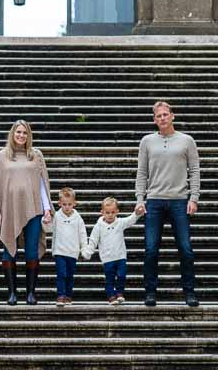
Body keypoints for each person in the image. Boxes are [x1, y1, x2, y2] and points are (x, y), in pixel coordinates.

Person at [135, 100, 200, 307]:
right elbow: (142, 172)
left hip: (179, 201)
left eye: (165, 114)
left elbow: (195, 170)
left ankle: (189, 292)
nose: (162, 118)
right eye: (158, 116)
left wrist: (194, 197)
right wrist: (140, 198)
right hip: (154, 201)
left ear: (172, 116)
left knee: (186, 248)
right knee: (151, 249)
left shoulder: (187, 140)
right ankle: (150, 292)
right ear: (154, 120)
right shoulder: (147, 141)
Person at [0, 120, 53, 305]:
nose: (21, 135)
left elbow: (42, 184)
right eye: (18, 132)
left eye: (25, 133)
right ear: (12, 134)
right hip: (9, 210)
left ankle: (31, 293)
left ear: (28, 135)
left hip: (34, 209)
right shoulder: (1, 156)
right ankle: (12, 293)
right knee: (8, 251)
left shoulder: (36, 155)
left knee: (31, 250)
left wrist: (47, 208)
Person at [81, 196, 140, 305]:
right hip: (108, 258)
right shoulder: (98, 227)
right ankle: (111, 296)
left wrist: (137, 213)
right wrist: (87, 253)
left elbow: (130, 220)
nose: (110, 215)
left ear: (117, 211)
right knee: (110, 278)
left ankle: (119, 293)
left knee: (122, 275)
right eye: (107, 212)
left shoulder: (120, 223)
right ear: (102, 212)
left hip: (120, 256)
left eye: (113, 212)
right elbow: (93, 240)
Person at [45, 187, 86, 306]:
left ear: (74, 203)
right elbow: (49, 229)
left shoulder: (78, 218)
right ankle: (61, 295)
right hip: (60, 251)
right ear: (59, 203)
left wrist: (84, 247)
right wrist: (45, 221)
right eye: (64, 204)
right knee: (61, 274)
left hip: (72, 252)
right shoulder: (57, 216)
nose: (67, 207)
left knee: (70, 275)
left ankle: (68, 295)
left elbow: (82, 233)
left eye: (69, 204)